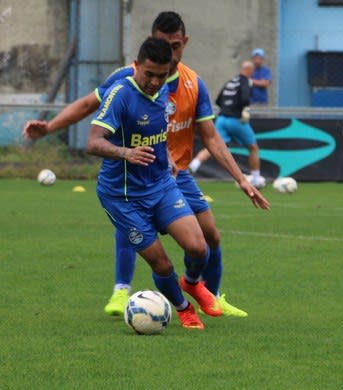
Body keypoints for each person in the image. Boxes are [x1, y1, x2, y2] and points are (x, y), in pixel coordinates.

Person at [23, 11, 269, 317]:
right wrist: (50, 128)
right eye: (162, 45)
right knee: (144, 241)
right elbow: (89, 106)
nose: (169, 53)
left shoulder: (191, 83)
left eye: (175, 46)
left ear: (183, 43)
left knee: (208, 238)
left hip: (169, 174)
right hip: (131, 179)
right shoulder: (125, 82)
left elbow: (212, 139)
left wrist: (241, 178)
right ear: (144, 55)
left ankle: (208, 292)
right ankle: (124, 290)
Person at [86, 37, 215, 329]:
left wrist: (166, 155)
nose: (155, 82)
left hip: (160, 185)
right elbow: (93, 142)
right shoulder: (120, 94)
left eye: (162, 74)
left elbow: (155, 133)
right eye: (149, 74)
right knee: (163, 264)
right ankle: (183, 309)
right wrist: (125, 152)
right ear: (137, 67)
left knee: (198, 248)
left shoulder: (162, 93)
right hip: (123, 197)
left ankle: (192, 283)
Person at [189, 61, 266, 188]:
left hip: (222, 119)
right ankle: (256, 179)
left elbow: (218, 100)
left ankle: (192, 167)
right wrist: (244, 109)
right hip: (236, 120)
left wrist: (227, 108)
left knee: (211, 146)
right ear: (250, 70)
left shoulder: (231, 81)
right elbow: (245, 98)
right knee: (253, 148)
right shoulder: (246, 80)